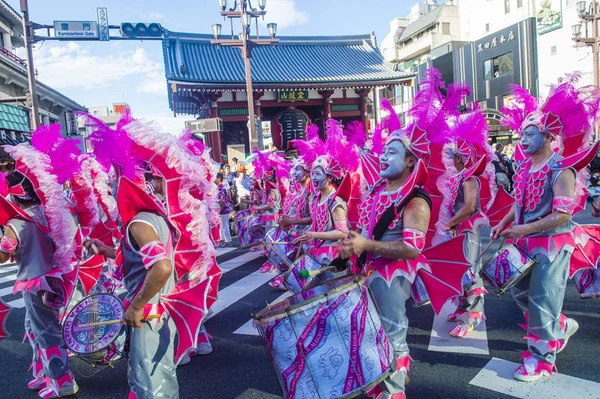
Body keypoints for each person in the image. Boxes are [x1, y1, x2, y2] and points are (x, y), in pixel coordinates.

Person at [493, 75, 600, 382]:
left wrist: (523, 230)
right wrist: (506, 223)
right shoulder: (525, 167)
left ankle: (542, 359)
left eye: (529, 134)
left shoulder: (561, 169)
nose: (522, 140)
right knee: (520, 294)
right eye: (521, 135)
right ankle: (561, 326)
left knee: (542, 300)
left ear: (550, 136)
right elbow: (520, 202)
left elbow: (563, 216)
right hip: (525, 243)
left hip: (553, 246)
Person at [0, 142, 79, 398]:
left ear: (14, 194)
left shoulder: (17, 222)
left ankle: (63, 382)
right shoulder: (51, 213)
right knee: (36, 328)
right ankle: (44, 374)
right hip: (55, 278)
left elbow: (3, 255)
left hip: (34, 283)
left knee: (46, 332)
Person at [434, 108, 492, 338]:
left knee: (470, 270)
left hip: (468, 228)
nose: (449, 157)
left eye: (452, 154)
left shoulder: (469, 178)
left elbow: (469, 207)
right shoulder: (458, 176)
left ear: (459, 158)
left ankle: (473, 315)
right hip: (459, 228)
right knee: (459, 269)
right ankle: (462, 306)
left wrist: (450, 224)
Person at [216, 172, 233, 247]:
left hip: (223, 209)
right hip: (221, 209)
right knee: (221, 225)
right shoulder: (218, 187)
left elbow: (223, 200)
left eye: (215, 178)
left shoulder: (221, 188)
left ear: (219, 178)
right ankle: (222, 240)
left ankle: (227, 240)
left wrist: (219, 208)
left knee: (225, 225)